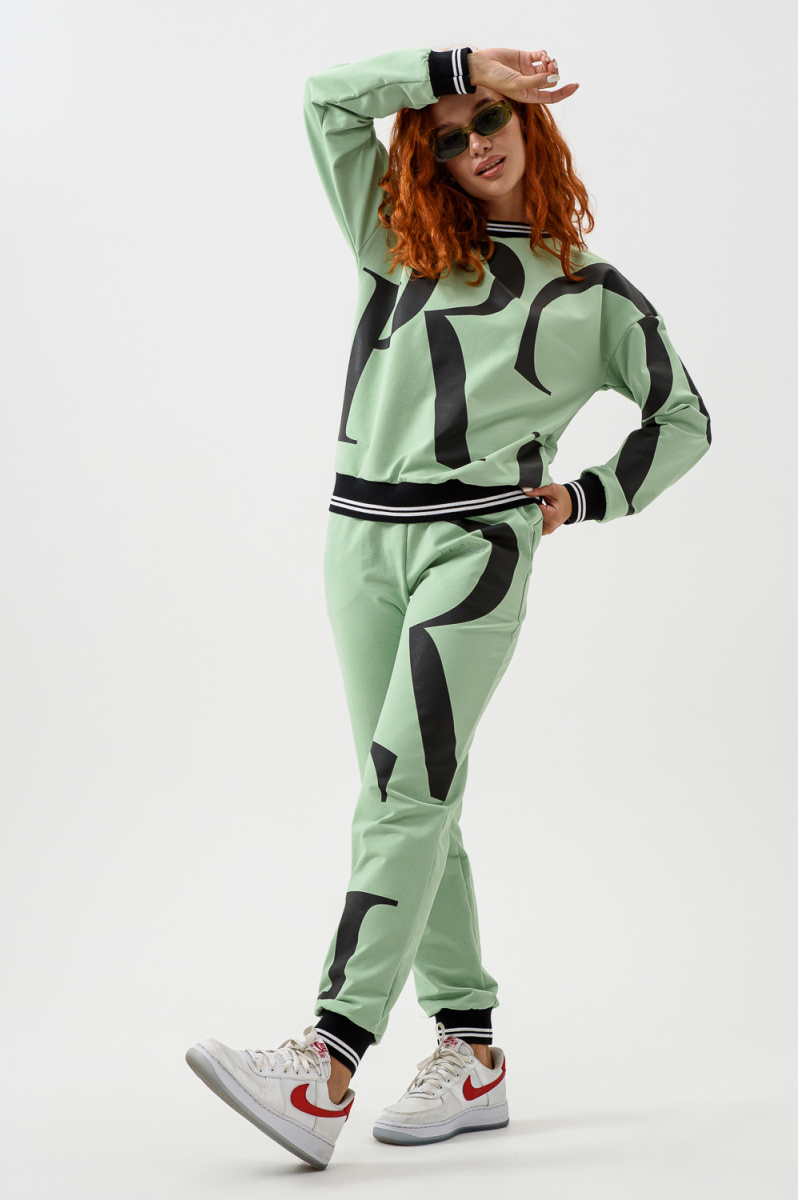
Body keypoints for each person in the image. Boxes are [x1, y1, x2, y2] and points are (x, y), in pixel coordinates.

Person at [186, 43, 712, 1170]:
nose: (475, 144)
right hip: (356, 542)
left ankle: (325, 1063)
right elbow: (326, 101)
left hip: (475, 547)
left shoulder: (592, 292)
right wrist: (453, 64)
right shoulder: (396, 241)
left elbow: (684, 419)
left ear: (530, 125)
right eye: (449, 135)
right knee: (415, 797)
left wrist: (588, 495)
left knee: (403, 788)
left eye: (489, 119)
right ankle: (470, 1050)